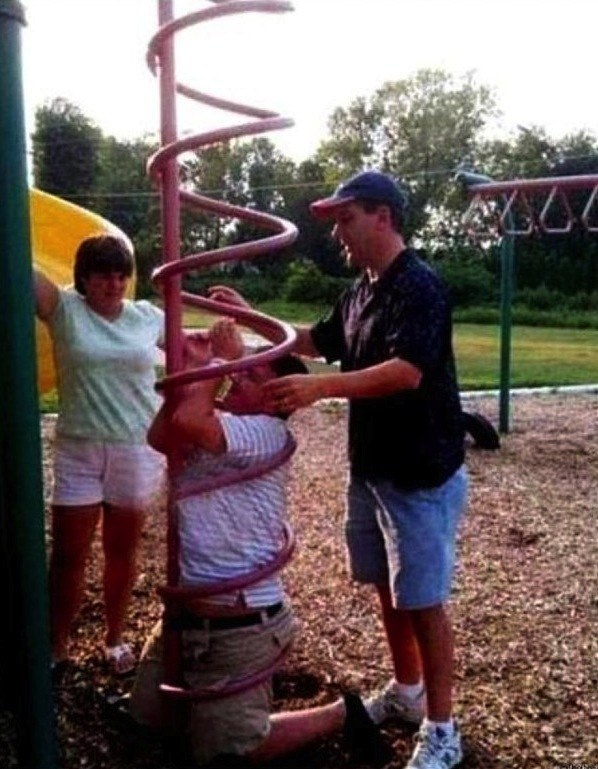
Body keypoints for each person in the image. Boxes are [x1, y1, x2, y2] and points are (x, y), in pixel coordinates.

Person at [208, 170, 468, 769]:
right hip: (373, 468)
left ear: (383, 216)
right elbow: (313, 339)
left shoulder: (418, 286)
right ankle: (407, 693)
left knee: (424, 601)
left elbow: (407, 371)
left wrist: (319, 389)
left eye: (346, 219)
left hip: (420, 473)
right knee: (389, 590)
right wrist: (254, 323)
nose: (338, 235)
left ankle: (443, 729)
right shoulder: (360, 292)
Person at [128, 318, 392, 768]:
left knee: (228, 753)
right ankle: (208, 711)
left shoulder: (265, 434)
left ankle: (341, 714)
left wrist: (217, 361)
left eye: (249, 375)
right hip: (183, 617)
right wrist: (193, 372)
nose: (237, 376)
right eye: (239, 370)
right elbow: (161, 434)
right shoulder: (223, 422)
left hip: (239, 625)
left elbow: (189, 418)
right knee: (147, 719)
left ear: (276, 399)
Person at [34, 234, 166, 676]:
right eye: (102, 275)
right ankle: (57, 646)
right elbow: (20, 265)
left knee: (121, 551)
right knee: (68, 554)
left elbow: (194, 341)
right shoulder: (64, 310)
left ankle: (114, 638)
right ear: (83, 279)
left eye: (120, 275)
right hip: (79, 448)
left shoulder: (146, 317)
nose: (113, 284)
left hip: (135, 445)